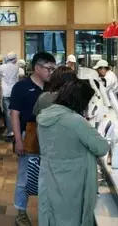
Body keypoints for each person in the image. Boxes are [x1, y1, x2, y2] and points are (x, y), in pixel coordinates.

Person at [37, 79, 109, 226]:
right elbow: (102, 147)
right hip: (72, 181)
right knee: (70, 218)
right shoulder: (74, 121)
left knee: (51, 215)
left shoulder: (45, 115)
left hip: (49, 175)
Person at [10, 51, 56, 226]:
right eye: (48, 69)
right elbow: (15, 115)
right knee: (25, 175)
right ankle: (21, 212)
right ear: (37, 67)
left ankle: (46, 212)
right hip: (29, 135)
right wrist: (18, 141)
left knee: (48, 175)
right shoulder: (21, 87)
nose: (51, 72)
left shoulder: (52, 87)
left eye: (53, 69)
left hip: (50, 136)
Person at [0, 52, 19, 138]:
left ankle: (10, 131)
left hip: (6, 92)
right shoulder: (16, 67)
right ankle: (15, 130)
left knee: (8, 113)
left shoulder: (2, 67)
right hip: (14, 92)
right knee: (14, 112)